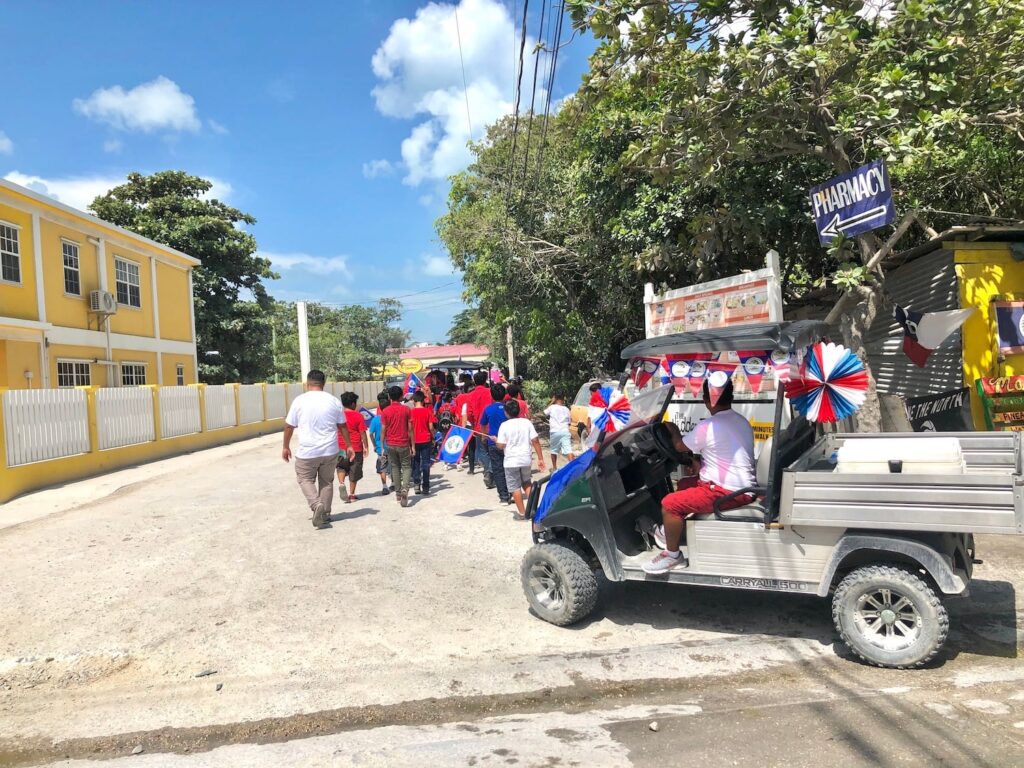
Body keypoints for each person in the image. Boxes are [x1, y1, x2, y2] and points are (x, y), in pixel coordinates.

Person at [643, 377, 755, 574]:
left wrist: (673, 430)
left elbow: (679, 446)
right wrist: (695, 462)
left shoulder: (709, 426)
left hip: (727, 491)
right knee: (684, 484)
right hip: (740, 486)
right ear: (731, 397)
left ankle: (673, 556)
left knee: (669, 504)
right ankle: (668, 531)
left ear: (706, 400)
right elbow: (720, 452)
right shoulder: (741, 421)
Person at [282, 370, 355, 529]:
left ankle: (316, 505)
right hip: (330, 450)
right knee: (326, 481)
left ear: (307, 383)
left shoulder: (299, 401)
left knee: (304, 479)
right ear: (324, 383)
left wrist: (285, 446)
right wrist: (349, 445)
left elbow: (289, 426)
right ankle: (325, 514)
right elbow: (342, 425)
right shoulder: (334, 401)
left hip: (307, 451)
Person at [496, 399, 546, 520]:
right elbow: (535, 440)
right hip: (525, 459)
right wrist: (540, 458)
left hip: (511, 461)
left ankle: (523, 514)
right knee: (526, 482)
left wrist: (496, 440)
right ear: (519, 410)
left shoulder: (504, 425)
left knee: (515, 487)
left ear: (506, 412)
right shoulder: (526, 422)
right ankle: (533, 510)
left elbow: (501, 445)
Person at [381, 385, 415, 507]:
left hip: (390, 444)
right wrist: (413, 446)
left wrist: (382, 446)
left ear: (390, 397)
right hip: (404, 443)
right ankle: (405, 488)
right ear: (401, 397)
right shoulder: (406, 410)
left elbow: (383, 430)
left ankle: (398, 494)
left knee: (395, 467)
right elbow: (410, 429)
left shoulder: (385, 411)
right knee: (406, 467)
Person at [479, 384, 511, 505]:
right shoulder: (508, 408)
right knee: (510, 468)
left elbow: (483, 424)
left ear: (492, 396)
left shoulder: (488, 409)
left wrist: (484, 436)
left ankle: (503, 496)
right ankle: (513, 492)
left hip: (493, 443)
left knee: (498, 469)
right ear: (504, 395)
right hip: (508, 443)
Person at [335, 391, 369, 503]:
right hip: (355, 447)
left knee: (341, 467)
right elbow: (362, 432)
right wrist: (366, 446)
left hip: (341, 447)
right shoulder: (358, 416)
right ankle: (352, 494)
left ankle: (341, 483)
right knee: (354, 470)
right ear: (353, 403)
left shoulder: (338, 415)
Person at [468, 370, 495, 487]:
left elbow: (469, 414)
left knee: (482, 451)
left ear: (474, 382)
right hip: (492, 426)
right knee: (493, 451)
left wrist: (473, 426)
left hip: (479, 427)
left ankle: (488, 471)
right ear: (485, 381)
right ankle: (490, 471)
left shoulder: (471, 395)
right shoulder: (490, 392)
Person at [410, 391, 436, 495]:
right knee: (426, 463)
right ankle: (426, 486)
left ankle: (417, 484)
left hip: (414, 441)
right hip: (426, 440)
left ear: (414, 400)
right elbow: (431, 427)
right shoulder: (427, 411)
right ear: (422, 400)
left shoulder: (411, 412)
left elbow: (409, 428)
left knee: (415, 463)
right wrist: (433, 437)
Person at [368, 393, 392, 496]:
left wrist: (374, 445)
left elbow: (370, 433)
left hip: (380, 448)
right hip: (392, 445)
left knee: (382, 467)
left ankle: (384, 486)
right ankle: (394, 483)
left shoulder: (375, 419)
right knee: (393, 465)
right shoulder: (392, 417)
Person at [544, 394, 574, 470]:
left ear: (555, 399)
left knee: (554, 451)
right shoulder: (566, 409)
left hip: (555, 431)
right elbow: (569, 422)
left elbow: (544, 412)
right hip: (565, 431)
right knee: (569, 450)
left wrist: (551, 402)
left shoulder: (552, 407)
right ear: (563, 400)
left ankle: (554, 468)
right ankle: (573, 468)